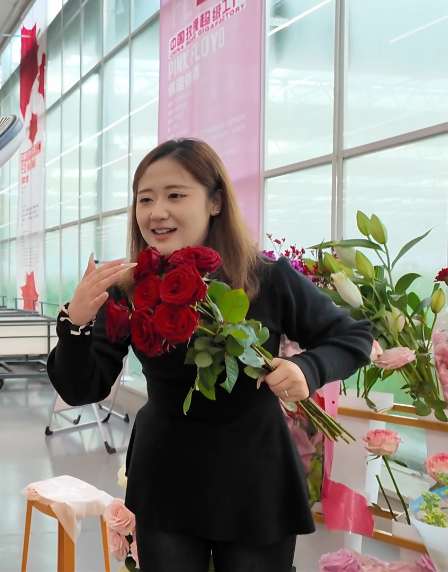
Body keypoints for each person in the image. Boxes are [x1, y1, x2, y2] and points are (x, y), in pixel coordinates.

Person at [46, 139, 373, 572]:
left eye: (175, 195)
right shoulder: (129, 287)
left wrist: (307, 369)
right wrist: (75, 326)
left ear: (215, 201)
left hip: (256, 474)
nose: (157, 212)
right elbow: (82, 388)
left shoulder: (265, 277)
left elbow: (353, 336)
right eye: (145, 199)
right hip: (166, 475)